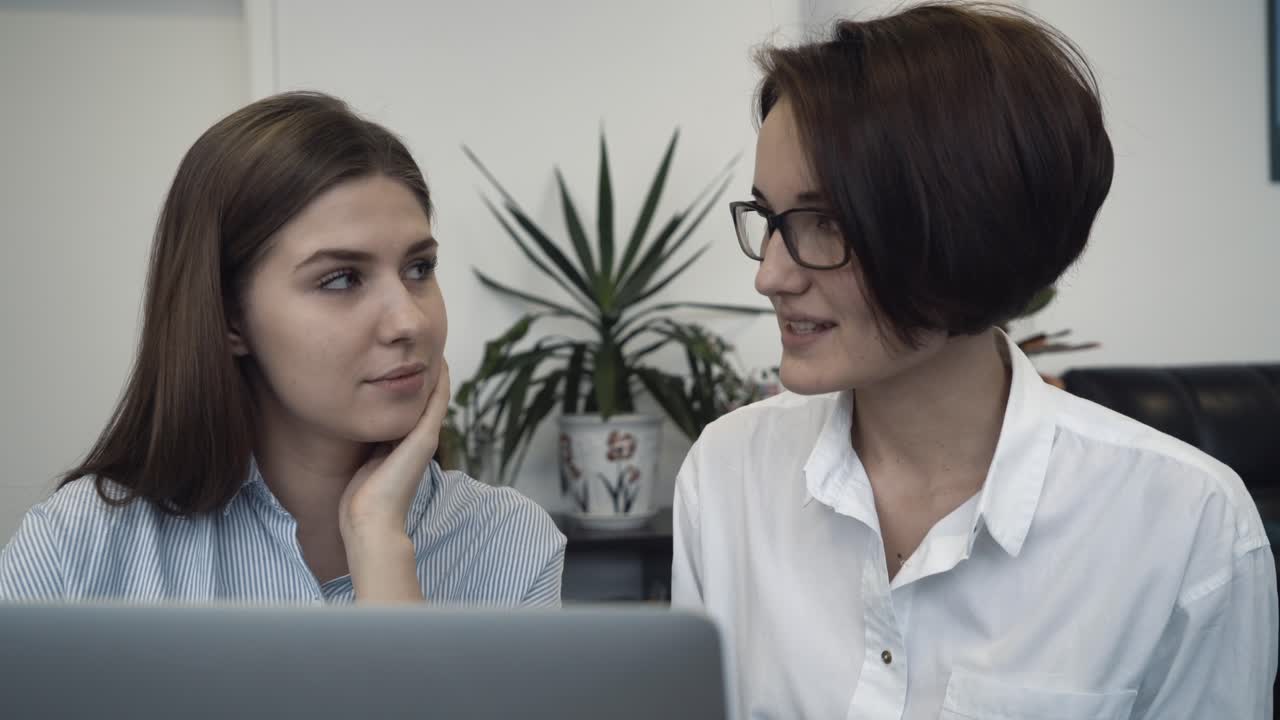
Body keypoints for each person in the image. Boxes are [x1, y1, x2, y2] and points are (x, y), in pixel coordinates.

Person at [671, 4, 1277, 718]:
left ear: (966, 227)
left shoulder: (1183, 526)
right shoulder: (727, 475)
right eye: (769, 219)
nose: (770, 275)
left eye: (825, 221)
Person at [0, 91, 565, 606]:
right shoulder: (81, 548)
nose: (409, 319)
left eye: (420, 268)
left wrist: (379, 542)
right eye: (341, 278)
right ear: (229, 316)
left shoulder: (509, 545)